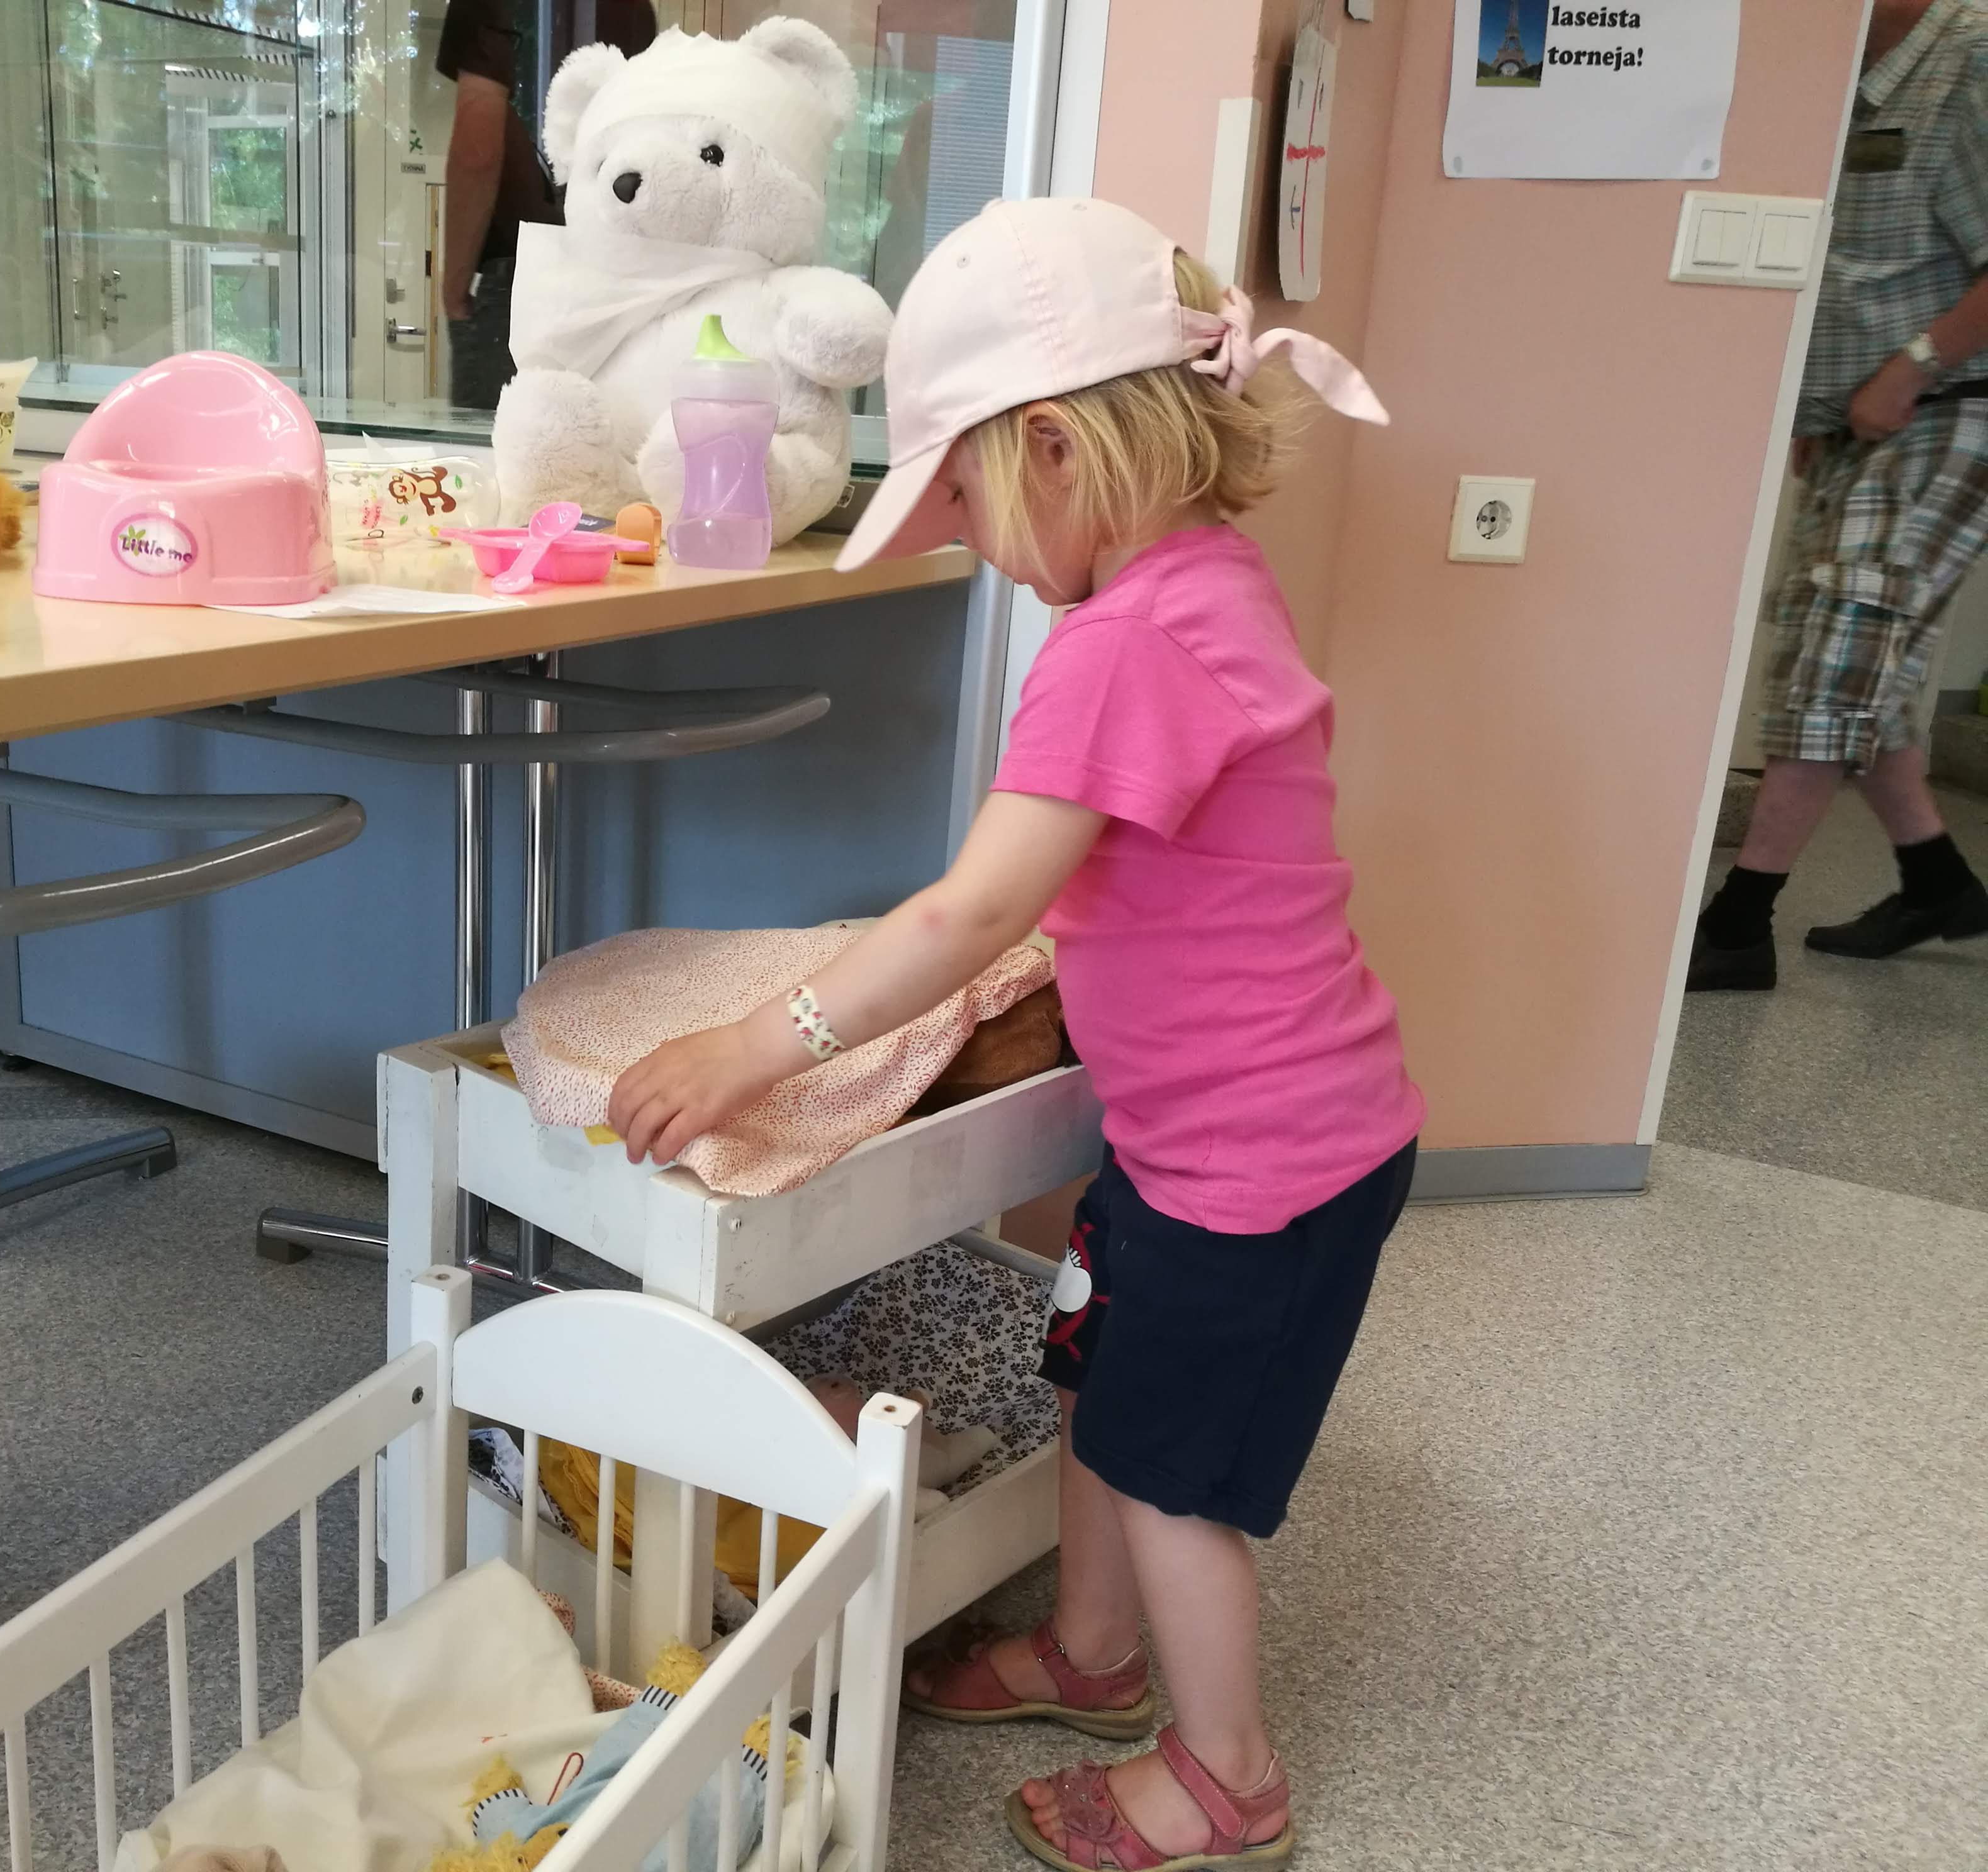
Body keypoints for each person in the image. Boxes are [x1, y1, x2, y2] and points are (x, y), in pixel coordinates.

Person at [605, 198, 1421, 1872]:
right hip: (1215, 1139)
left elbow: (971, 912)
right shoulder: (1204, 583)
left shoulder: (1125, 640)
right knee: (1102, 1390)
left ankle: (1227, 1778)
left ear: (1054, 443)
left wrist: (755, 1046)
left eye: (965, 493)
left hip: (1259, 1171)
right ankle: (1093, 1656)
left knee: (1173, 1474)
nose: (970, 535)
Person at [1692, 0, 1988, 991]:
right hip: (1863, 417)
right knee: (1851, 662)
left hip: (1953, 405)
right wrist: (1819, 402)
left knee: (1841, 648)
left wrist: (1909, 368)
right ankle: (1937, 881)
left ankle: (1740, 923)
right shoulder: (1842, 72)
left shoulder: (1972, 58)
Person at [437, 0, 656, 410]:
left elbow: (478, 148)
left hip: (521, 284)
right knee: (601, 438)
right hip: (617, 281)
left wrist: (454, 291)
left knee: (502, 442)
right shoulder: (634, 8)